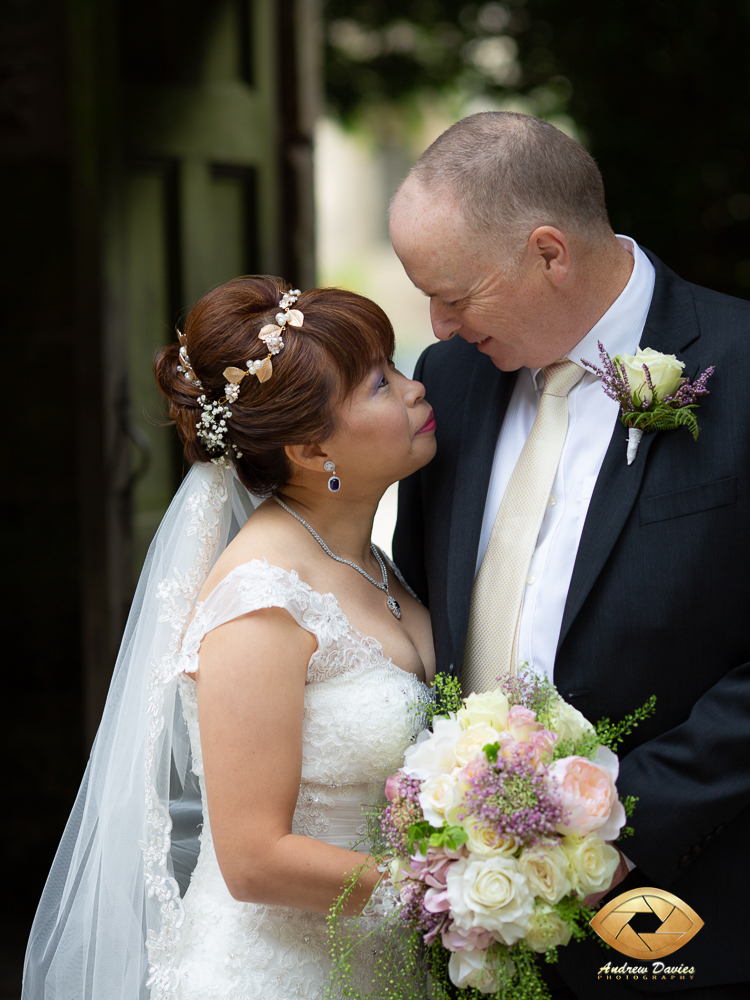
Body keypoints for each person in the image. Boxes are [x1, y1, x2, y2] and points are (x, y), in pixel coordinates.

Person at [389, 111, 750, 999]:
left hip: (687, 912)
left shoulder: (741, 365)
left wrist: (614, 820)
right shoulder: (448, 379)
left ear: (549, 252)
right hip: (472, 917)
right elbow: (420, 607)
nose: (436, 323)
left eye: (455, 293)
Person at [23, 277, 437, 1000]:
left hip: (386, 965)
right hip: (284, 975)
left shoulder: (366, 558)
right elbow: (253, 860)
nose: (414, 391)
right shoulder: (261, 599)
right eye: (380, 383)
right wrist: (452, 890)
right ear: (312, 448)